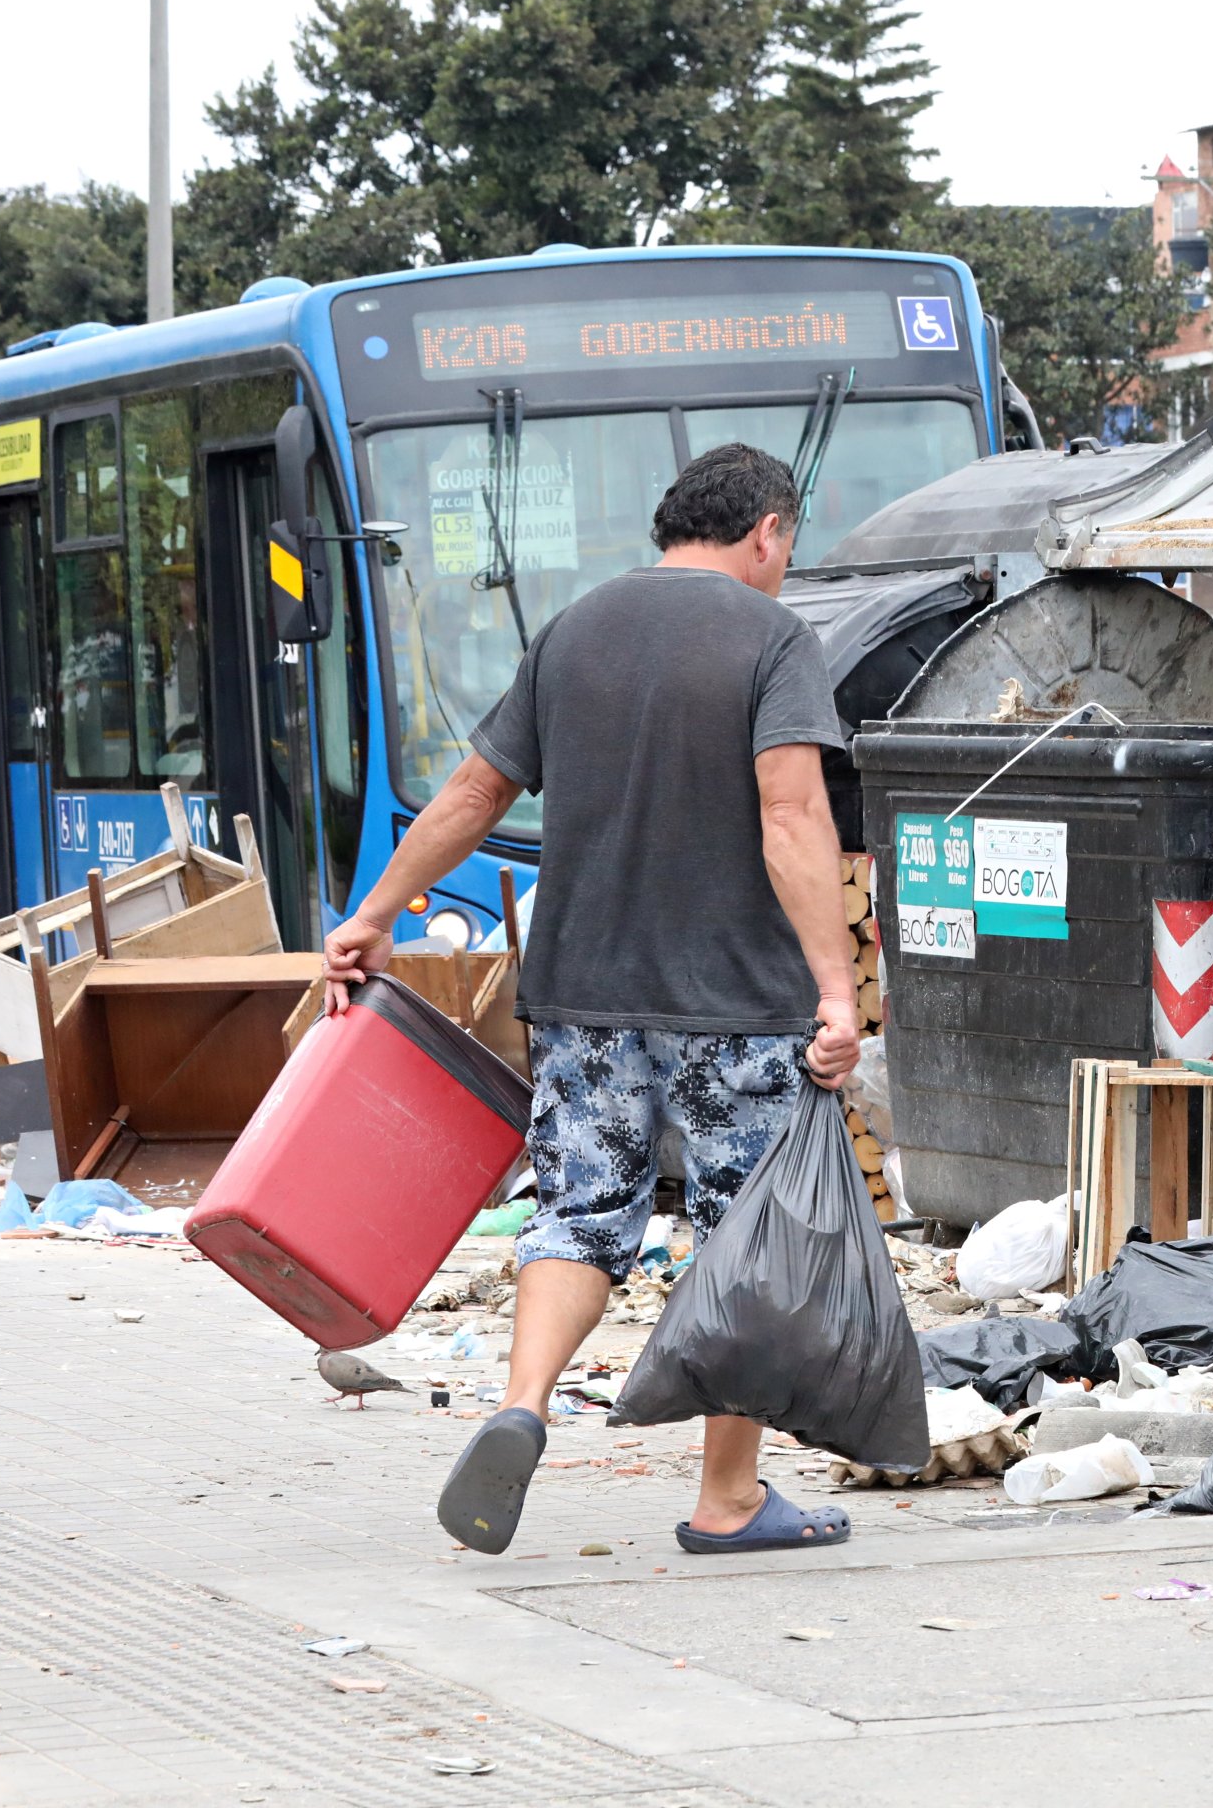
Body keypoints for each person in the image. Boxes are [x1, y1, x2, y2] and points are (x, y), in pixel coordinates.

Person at [322, 443, 862, 1558]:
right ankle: (726, 1496)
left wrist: (375, 912)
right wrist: (838, 988)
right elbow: (793, 816)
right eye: (787, 546)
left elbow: (475, 789)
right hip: (734, 1003)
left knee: (579, 1209)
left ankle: (521, 1403)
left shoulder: (572, 632)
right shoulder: (774, 639)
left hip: (584, 993)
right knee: (740, 1239)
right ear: (766, 530)